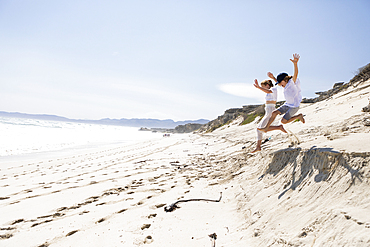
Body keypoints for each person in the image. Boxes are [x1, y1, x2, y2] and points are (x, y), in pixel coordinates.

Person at [258, 53, 305, 133]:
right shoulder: (285, 85)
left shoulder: (292, 82)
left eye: (281, 82)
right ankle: (266, 128)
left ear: (285, 80)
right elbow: (279, 83)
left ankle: (299, 116)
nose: (280, 84)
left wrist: (295, 64)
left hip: (294, 106)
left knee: (284, 121)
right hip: (287, 104)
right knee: (274, 113)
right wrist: (273, 78)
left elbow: (296, 74)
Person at [251, 79, 287, 153]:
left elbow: (268, 91)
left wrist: (258, 87)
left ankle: (279, 127)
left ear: (267, 85)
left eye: (263, 87)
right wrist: (260, 87)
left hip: (271, 109)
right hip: (268, 109)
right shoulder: (269, 91)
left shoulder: (273, 89)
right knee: (259, 130)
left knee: (260, 128)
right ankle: (258, 147)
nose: (263, 88)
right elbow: (267, 91)